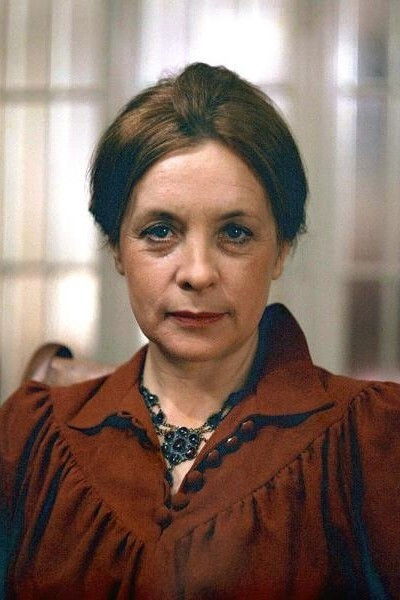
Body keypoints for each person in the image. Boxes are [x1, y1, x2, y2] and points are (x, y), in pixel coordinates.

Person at [0, 62, 399, 599]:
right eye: (159, 231)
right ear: (116, 247)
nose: (198, 272)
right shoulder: (29, 435)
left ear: (281, 250)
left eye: (235, 233)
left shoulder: (373, 441)